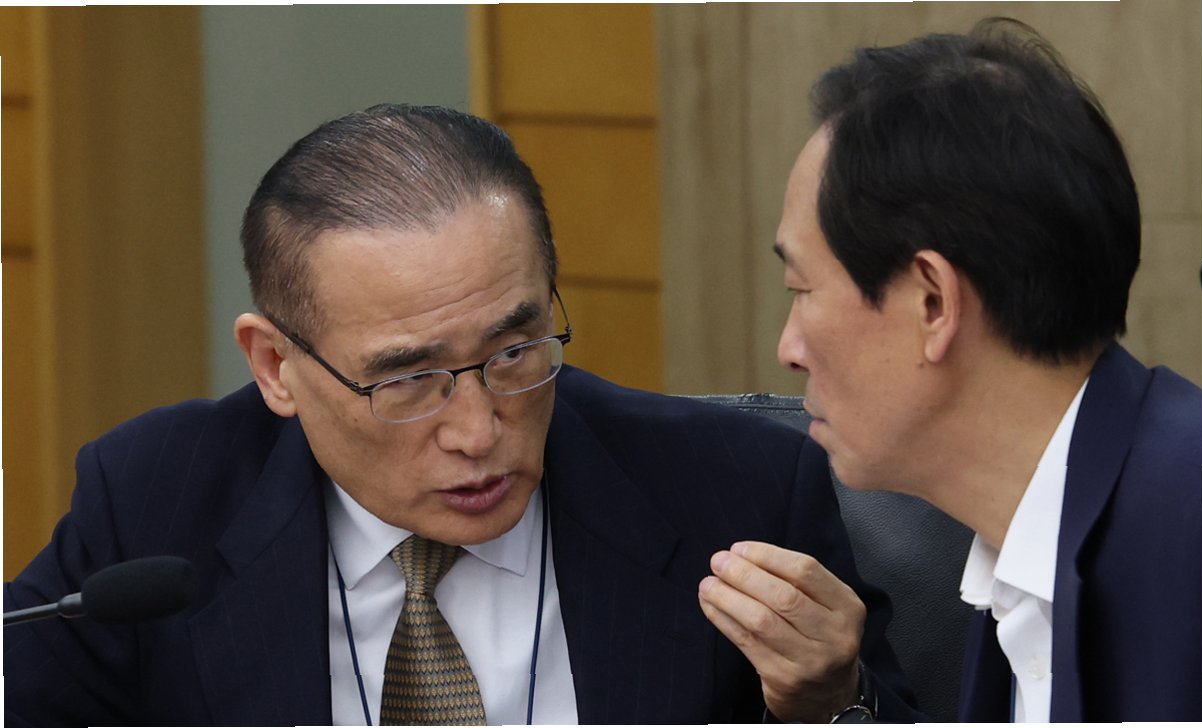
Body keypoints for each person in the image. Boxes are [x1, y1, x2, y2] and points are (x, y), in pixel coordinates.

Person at [4, 104, 919, 725]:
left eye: (514, 350)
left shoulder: (735, 492)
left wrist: (831, 703)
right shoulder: (154, 502)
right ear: (276, 367)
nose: (479, 432)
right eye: (407, 380)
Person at [771, 17, 1202, 722]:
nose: (788, 349)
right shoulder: (1026, 551)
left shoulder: (1188, 541)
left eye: (802, 289)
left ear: (933, 303)